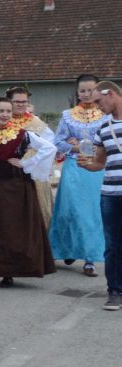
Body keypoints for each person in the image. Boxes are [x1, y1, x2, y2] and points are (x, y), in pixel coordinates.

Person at [0, 97, 58, 286]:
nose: (5, 114)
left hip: (17, 187)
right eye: (1, 111)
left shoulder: (23, 135)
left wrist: (27, 163)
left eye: (8, 111)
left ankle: (9, 271)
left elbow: (49, 148)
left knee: (14, 229)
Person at [50, 74, 108, 277]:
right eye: (82, 90)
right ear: (77, 92)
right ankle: (67, 249)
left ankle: (89, 258)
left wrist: (85, 145)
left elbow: (108, 143)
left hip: (97, 168)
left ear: (97, 91)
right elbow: (58, 142)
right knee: (69, 211)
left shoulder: (106, 116)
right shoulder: (68, 116)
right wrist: (76, 147)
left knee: (92, 213)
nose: (86, 94)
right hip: (74, 167)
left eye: (90, 90)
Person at [77, 80, 122, 310]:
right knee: (113, 245)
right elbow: (100, 163)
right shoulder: (103, 127)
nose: (96, 106)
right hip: (110, 194)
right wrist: (87, 165)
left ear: (110, 94)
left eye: (98, 101)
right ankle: (115, 291)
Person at [4, 86, 55, 229]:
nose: (21, 105)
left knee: (38, 202)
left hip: (34, 169)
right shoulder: (2, 119)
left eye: (24, 102)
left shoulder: (36, 122)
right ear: (10, 102)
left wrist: (32, 158)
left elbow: (51, 144)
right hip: (9, 167)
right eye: (17, 102)